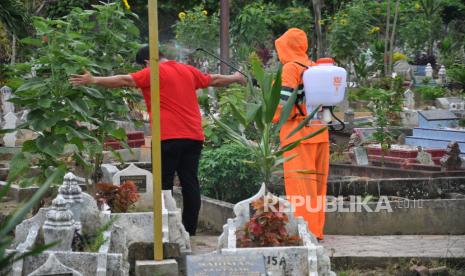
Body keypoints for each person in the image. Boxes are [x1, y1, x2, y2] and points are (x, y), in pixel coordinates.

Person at [70, 45, 247, 235]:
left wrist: (93, 79)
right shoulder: (187, 70)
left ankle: (166, 229)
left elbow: (124, 79)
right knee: (190, 183)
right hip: (193, 136)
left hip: (168, 136)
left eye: (142, 66)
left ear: (147, 61)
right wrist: (237, 78)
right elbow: (215, 79)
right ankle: (189, 231)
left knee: (164, 184)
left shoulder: (152, 72)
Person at [273, 28, 329, 240]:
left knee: (300, 187)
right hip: (320, 133)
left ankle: (305, 233)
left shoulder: (290, 68)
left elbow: (282, 105)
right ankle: (316, 230)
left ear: (285, 46)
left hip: (297, 137)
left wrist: (268, 112)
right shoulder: (315, 67)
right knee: (317, 188)